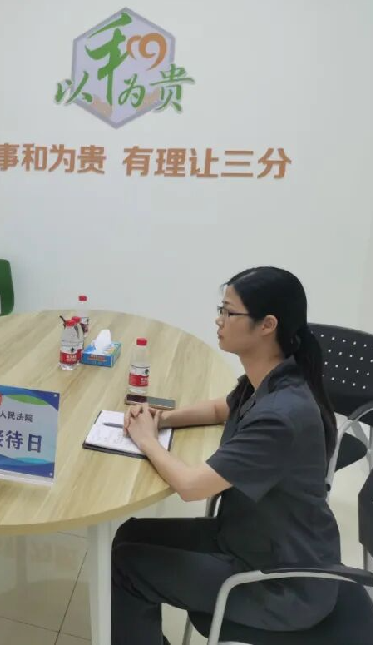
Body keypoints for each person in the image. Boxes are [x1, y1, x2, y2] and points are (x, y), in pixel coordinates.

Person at [113, 267, 341, 645]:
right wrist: (161, 417)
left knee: (127, 566)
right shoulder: (271, 378)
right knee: (128, 535)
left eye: (229, 312)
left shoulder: (282, 416)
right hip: (244, 538)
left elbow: (191, 487)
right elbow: (223, 407)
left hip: (280, 583)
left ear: (267, 325)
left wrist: (147, 440)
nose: (219, 320)